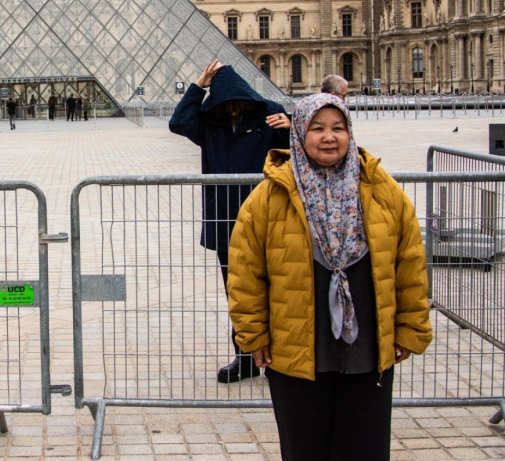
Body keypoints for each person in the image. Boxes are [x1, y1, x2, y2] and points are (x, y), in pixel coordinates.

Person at [228, 93, 432, 461]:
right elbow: (246, 275)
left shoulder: (383, 190)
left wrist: (411, 327)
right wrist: (253, 335)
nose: (329, 137)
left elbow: (410, 265)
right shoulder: (267, 198)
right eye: (317, 128)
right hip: (295, 348)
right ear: (299, 134)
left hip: (368, 346)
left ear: (350, 133)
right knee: (304, 448)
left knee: (365, 448)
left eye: (338, 128)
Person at [170, 59, 290, 383]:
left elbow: (301, 152)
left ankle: (279, 356)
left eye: (237, 103)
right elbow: (178, 122)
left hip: (265, 220)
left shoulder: (271, 116)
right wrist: (198, 85)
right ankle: (246, 357)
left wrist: (294, 127)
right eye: (226, 104)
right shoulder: (210, 124)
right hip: (226, 222)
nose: (233, 110)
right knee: (238, 294)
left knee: (275, 290)